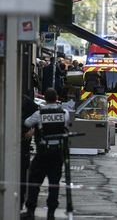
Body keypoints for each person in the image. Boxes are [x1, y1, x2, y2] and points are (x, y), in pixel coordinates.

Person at [21, 88, 70, 220]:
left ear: (45, 99)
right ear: (57, 97)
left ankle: (30, 210)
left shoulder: (39, 113)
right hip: (57, 153)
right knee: (54, 184)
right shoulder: (64, 113)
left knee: (34, 181)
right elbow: (66, 125)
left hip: (43, 153)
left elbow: (27, 123)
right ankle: (51, 213)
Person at [20, 95, 39, 211]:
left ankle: (24, 205)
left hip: (22, 146)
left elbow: (28, 123)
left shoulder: (28, 104)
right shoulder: (30, 104)